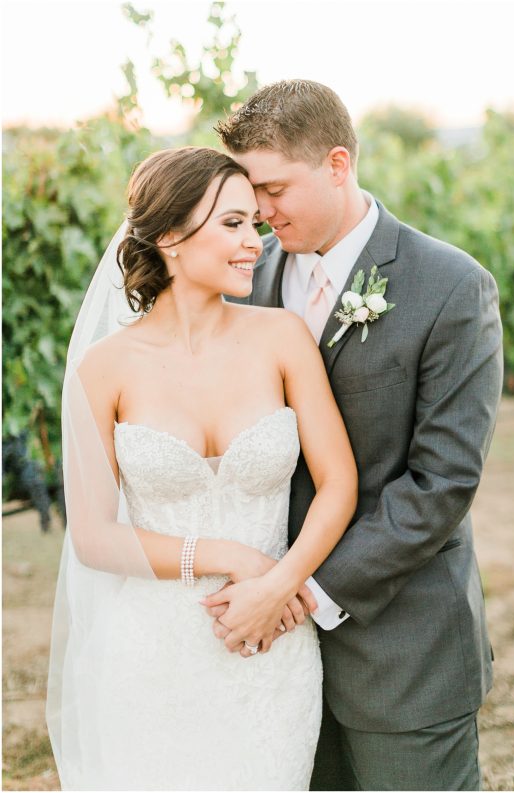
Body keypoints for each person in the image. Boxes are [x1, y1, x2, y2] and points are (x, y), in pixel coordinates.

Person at [202, 79, 504, 791]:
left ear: (338, 165)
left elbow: (442, 483)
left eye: (274, 189)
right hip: (271, 664)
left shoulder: (451, 287)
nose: (260, 213)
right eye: (249, 192)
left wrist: (297, 590)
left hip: (404, 655)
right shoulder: (249, 277)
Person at [46, 146, 358, 791]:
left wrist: (278, 584)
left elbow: (339, 484)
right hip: (149, 655)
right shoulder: (103, 370)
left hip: (269, 647)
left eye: (255, 222)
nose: (256, 241)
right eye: (233, 224)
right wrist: (226, 554)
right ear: (168, 237)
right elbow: (95, 537)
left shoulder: (282, 338)